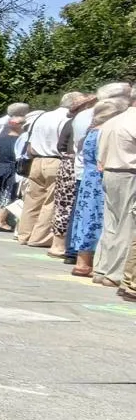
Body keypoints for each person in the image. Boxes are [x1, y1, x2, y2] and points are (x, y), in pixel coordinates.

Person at [67, 94, 124, 279]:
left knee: (85, 217)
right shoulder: (104, 133)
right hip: (99, 179)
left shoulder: (91, 132)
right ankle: (92, 263)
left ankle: (81, 262)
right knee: (98, 219)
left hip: (88, 179)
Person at [15, 97, 74, 248]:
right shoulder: (67, 118)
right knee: (51, 202)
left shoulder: (41, 117)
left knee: (32, 200)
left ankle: (24, 234)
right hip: (55, 160)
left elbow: (29, 144)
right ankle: (39, 238)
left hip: (36, 160)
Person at [46, 92, 96, 260]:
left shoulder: (72, 122)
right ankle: (66, 247)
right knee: (69, 206)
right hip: (76, 165)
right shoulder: (87, 121)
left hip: (67, 163)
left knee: (64, 205)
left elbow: (60, 145)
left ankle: (61, 245)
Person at [95, 95, 136, 293]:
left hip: (110, 170)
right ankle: (116, 273)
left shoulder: (113, 120)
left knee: (111, 222)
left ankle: (102, 268)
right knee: (127, 225)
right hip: (129, 172)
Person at [0, 114, 27, 231]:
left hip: (1, 167)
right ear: (18, 126)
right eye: (23, 123)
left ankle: (0, 219)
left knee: (1, 194)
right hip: (12, 168)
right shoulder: (20, 139)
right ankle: (1, 221)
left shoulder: (1, 139)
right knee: (8, 195)